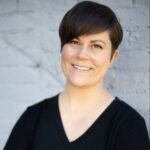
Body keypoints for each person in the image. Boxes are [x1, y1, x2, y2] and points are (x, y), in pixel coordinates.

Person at [4, 1, 150, 150]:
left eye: (96, 46)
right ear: (62, 48)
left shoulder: (129, 126)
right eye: (74, 42)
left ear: (113, 57)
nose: (81, 55)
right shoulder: (33, 118)